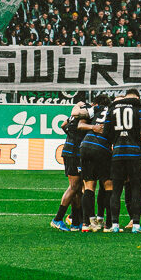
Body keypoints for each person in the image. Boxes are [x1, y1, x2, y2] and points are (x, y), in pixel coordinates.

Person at [103, 89, 141, 234]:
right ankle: (136, 225)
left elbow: (106, 133)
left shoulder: (112, 109)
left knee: (116, 190)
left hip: (117, 153)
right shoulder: (139, 109)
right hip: (135, 153)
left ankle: (115, 225)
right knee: (136, 188)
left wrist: (116, 139)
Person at [52, 100, 91, 231]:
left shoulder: (76, 113)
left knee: (78, 188)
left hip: (70, 150)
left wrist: (71, 136)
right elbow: (80, 126)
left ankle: (75, 222)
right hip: (74, 153)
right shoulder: (88, 114)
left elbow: (63, 125)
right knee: (74, 186)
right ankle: (57, 219)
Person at [78, 94, 112, 232]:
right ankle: (109, 224)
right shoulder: (114, 111)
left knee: (89, 186)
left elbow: (80, 124)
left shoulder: (95, 109)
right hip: (102, 148)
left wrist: (92, 127)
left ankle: (87, 223)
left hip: (85, 146)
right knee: (108, 185)